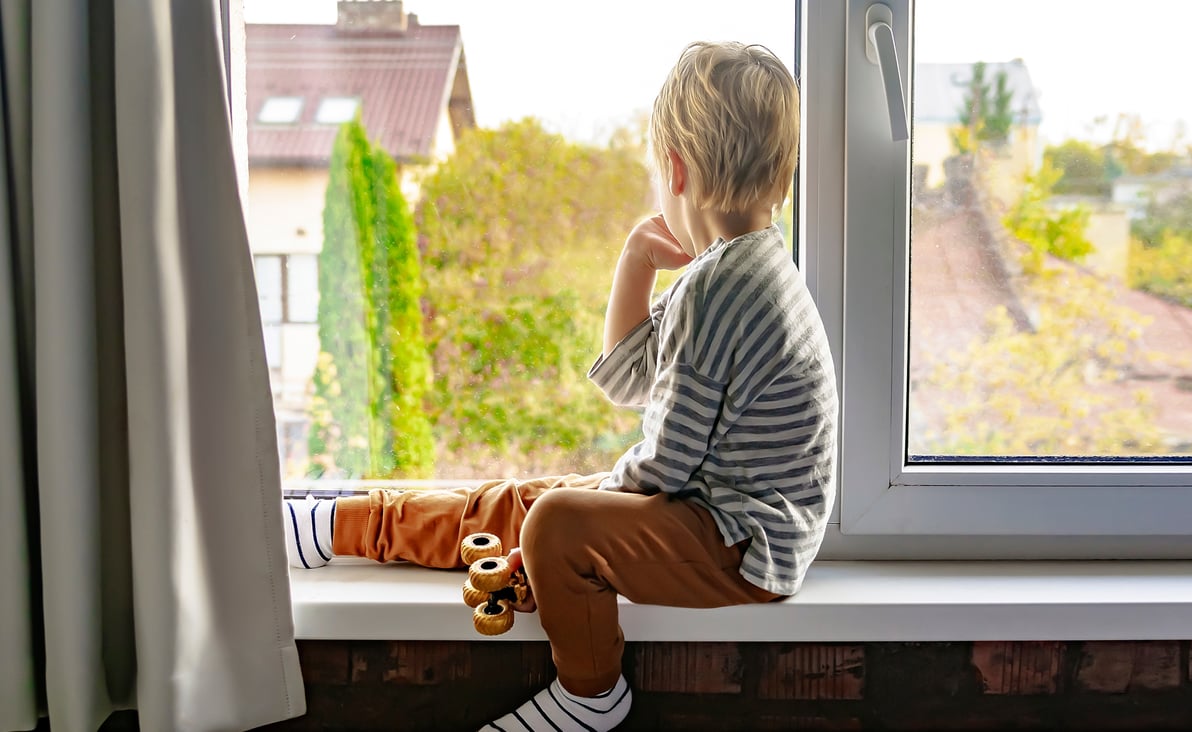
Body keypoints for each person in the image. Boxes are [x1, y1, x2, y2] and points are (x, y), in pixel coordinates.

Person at [282, 41, 838, 732]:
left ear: (674, 170)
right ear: (781, 175)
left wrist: (580, 506)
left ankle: (591, 695)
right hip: (716, 514)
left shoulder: (726, 288)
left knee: (552, 519)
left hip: (745, 543)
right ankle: (333, 526)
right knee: (527, 501)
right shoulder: (733, 270)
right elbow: (633, 379)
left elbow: (666, 462)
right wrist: (636, 261)